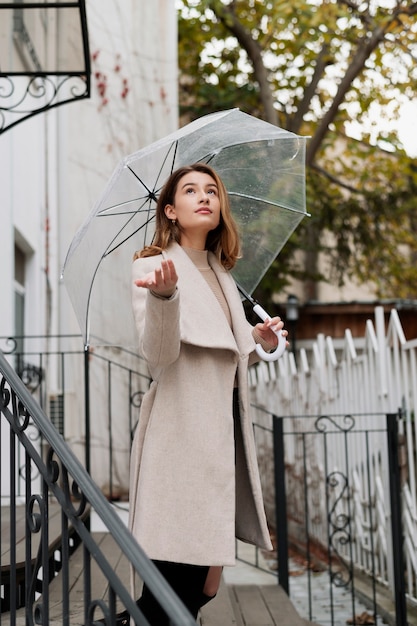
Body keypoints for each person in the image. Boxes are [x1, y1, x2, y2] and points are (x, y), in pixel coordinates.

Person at [129, 163, 288, 624]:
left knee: (207, 585)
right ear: (171, 210)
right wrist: (164, 299)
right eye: (191, 191)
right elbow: (158, 355)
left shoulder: (222, 273)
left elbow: (223, 361)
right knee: (174, 586)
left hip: (220, 445)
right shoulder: (152, 268)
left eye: (212, 191)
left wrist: (257, 340)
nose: (205, 197)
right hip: (178, 442)